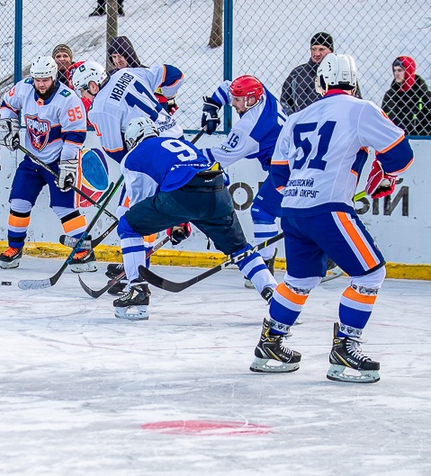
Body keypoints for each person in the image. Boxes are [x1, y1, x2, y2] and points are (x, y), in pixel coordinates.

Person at [250, 53, 413, 383]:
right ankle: (345, 348)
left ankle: (271, 343)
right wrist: (387, 175)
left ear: (320, 83)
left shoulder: (297, 117)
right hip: (329, 208)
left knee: (300, 281)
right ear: (353, 82)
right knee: (370, 274)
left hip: (293, 210)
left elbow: (279, 174)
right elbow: (401, 154)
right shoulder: (360, 109)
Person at [111, 117, 277, 320]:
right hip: (218, 192)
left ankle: (136, 287)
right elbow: (191, 178)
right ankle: (275, 295)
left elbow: (141, 204)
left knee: (129, 226)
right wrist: (180, 222)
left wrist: (172, 220)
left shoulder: (133, 156)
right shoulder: (183, 143)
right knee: (240, 249)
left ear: (131, 139)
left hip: (182, 196)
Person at [72, 56, 184, 293]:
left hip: (151, 159)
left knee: (130, 215)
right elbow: (173, 73)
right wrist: (166, 99)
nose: (84, 97)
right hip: (179, 145)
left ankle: (136, 275)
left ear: (93, 85)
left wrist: (133, 165)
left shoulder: (100, 108)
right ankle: (136, 264)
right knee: (146, 210)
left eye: (83, 91)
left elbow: (116, 151)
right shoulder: (128, 73)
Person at [0, 56, 92, 271]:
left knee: (64, 207)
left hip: (59, 161)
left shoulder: (68, 99)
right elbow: (7, 105)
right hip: (32, 159)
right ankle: (14, 248)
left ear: (54, 76)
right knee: (19, 203)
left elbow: (75, 136)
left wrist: (67, 167)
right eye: (37, 79)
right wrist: (9, 125)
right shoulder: (24, 88)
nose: (41, 84)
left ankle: (84, 251)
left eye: (45, 79)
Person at [201, 75, 287, 284]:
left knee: (262, 211)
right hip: (291, 162)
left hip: (290, 168)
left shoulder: (250, 127)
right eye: (234, 99)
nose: (233, 103)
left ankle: (266, 266)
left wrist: (184, 154)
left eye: (238, 101)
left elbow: (219, 156)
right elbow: (227, 87)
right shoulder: (261, 92)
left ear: (250, 101)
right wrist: (212, 105)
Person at [279, 32, 333, 115]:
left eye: (321, 49)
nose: (316, 54)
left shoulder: (340, 73)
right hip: (302, 124)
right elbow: (284, 103)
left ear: (331, 51)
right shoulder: (297, 74)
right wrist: (294, 120)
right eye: (313, 49)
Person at [381, 56, 431, 136]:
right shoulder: (390, 95)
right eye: (394, 70)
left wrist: (421, 136)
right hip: (393, 140)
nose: (396, 73)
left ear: (408, 71)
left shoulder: (424, 96)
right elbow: (383, 118)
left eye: (400, 70)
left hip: (417, 140)